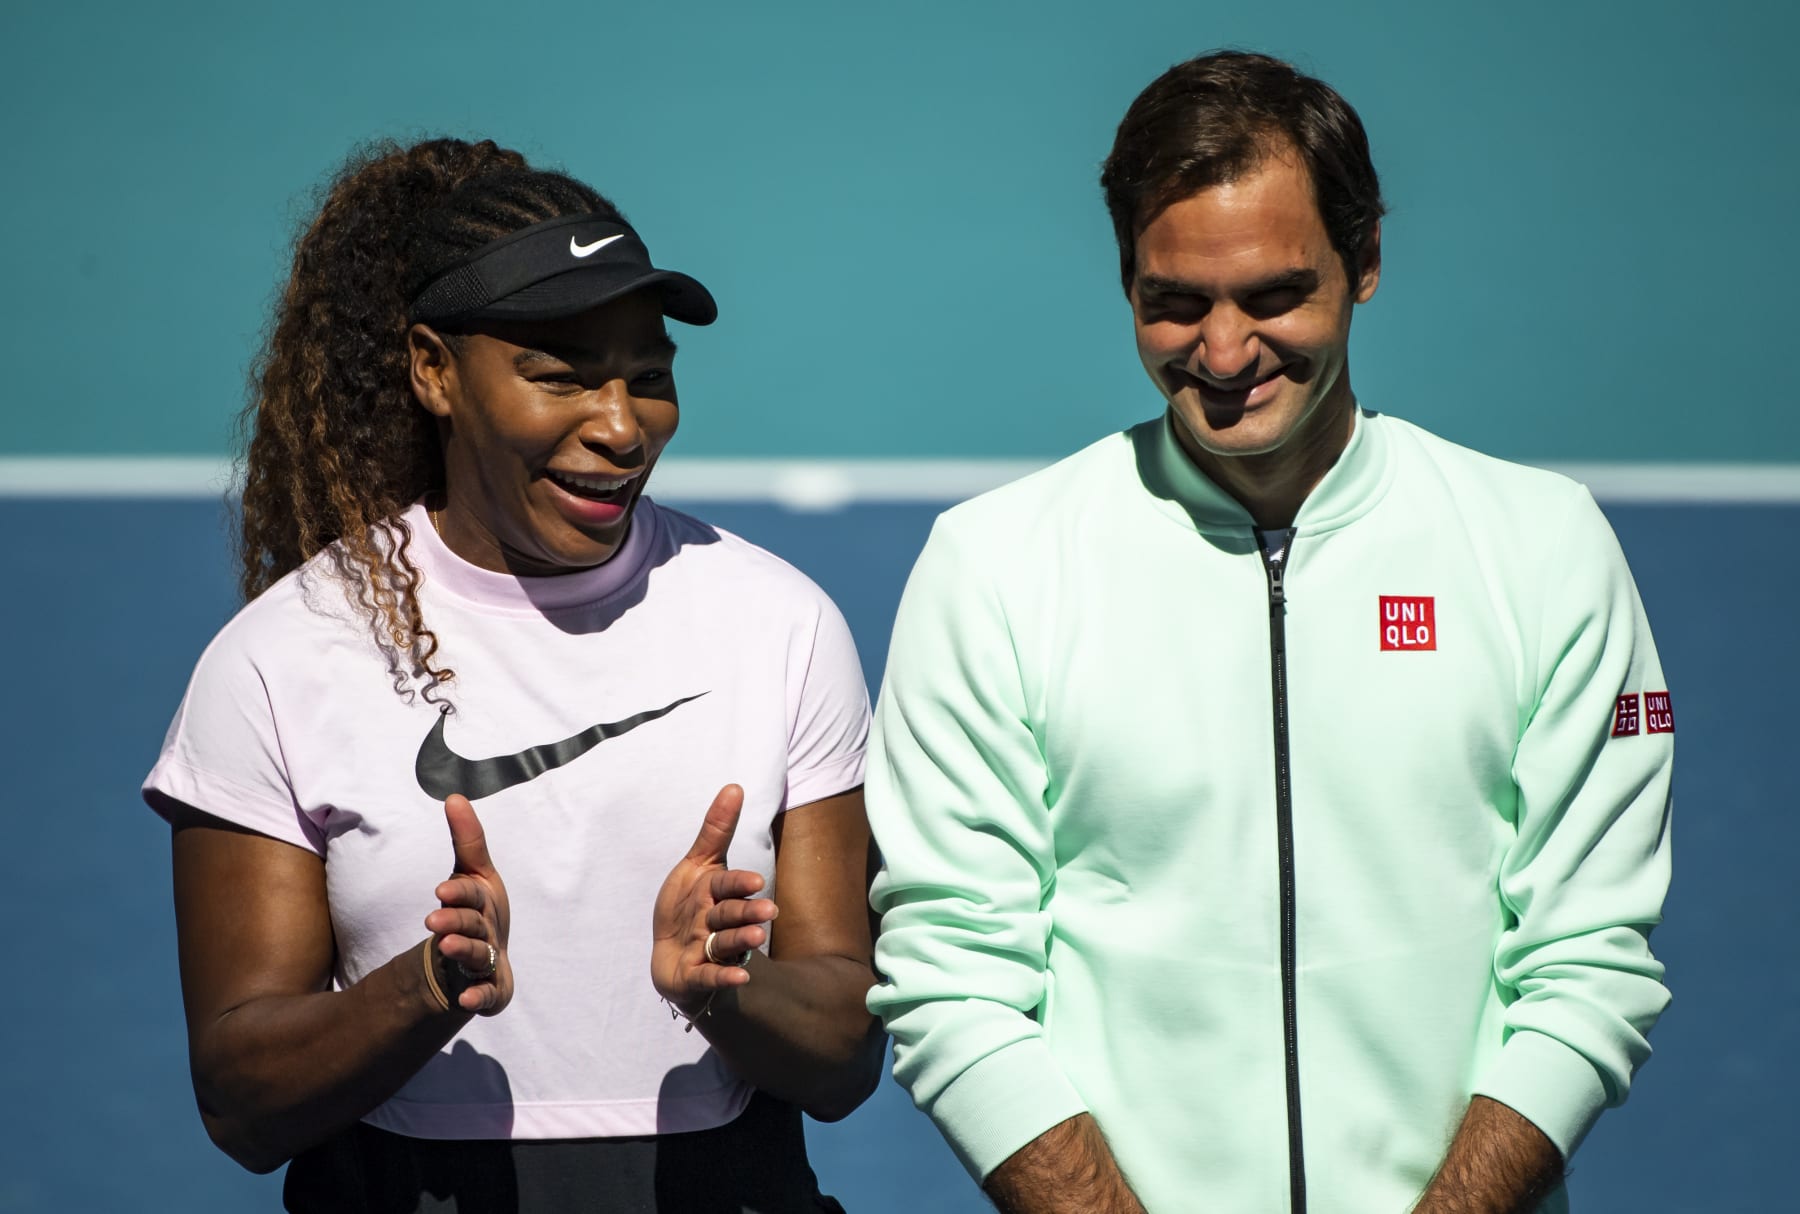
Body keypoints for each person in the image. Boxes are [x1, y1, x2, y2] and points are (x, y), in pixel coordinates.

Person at [863, 50, 1673, 1214]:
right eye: (1177, 302)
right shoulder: (993, 567)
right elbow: (951, 981)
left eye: (1276, 294)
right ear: (1127, 284)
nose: (1227, 351)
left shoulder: (1545, 548)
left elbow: (1589, 965)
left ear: (1368, 264)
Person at [143, 137, 884, 1213]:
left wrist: (728, 993)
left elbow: (845, 1055)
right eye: (561, 374)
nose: (622, 425)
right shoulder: (280, 657)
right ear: (434, 369)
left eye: (649, 376)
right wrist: (426, 986)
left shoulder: (781, 622)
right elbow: (241, 1102)